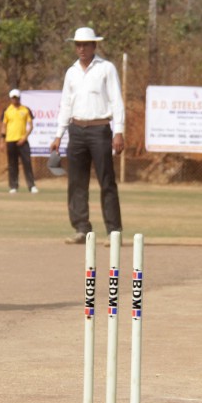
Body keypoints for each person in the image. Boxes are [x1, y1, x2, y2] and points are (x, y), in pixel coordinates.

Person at [49, 27, 124, 244]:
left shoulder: (106, 68)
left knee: (106, 181)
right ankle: (81, 229)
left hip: (100, 129)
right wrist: (58, 134)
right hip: (76, 130)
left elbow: (116, 101)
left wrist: (118, 131)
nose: (81, 49)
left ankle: (114, 231)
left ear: (94, 46)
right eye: (78, 44)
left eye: (85, 44)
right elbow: (65, 104)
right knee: (76, 182)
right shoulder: (71, 72)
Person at [0, 88, 37, 194]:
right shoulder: (7, 110)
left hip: (22, 141)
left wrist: (24, 137)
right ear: (10, 99)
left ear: (19, 98)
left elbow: (31, 126)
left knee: (27, 163)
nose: (14, 100)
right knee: (12, 164)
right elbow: (3, 126)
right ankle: (13, 186)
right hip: (10, 140)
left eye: (16, 98)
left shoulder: (25, 109)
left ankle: (32, 186)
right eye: (13, 98)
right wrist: (2, 141)